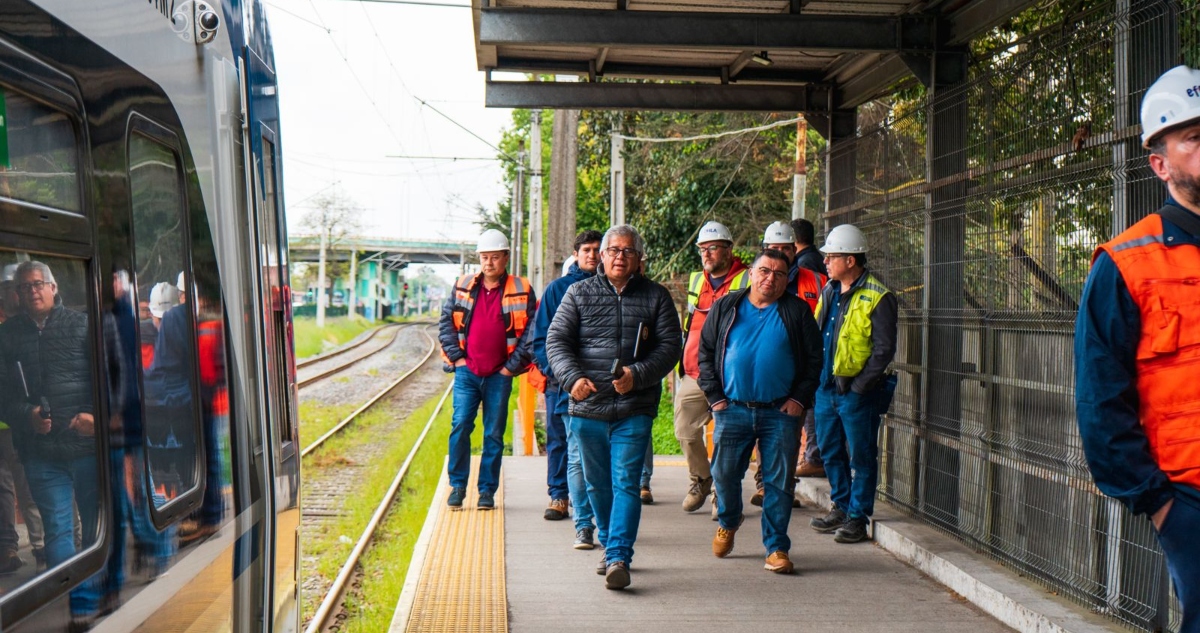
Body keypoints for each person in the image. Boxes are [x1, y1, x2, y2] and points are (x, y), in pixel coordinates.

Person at [1075, 65, 1200, 633]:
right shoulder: (1126, 264)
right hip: (1189, 497)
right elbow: (1101, 401)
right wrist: (1158, 503)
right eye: (1195, 138)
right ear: (1159, 163)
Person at [546, 225, 680, 590]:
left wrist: (637, 375)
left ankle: (619, 554)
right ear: (600, 256)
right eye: (613, 250)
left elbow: (669, 348)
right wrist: (572, 379)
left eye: (628, 251)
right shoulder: (577, 293)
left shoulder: (656, 297)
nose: (620, 256)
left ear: (639, 259)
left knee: (625, 483)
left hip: (634, 407)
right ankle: (609, 543)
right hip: (587, 407)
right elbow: (556, 341)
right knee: (596, 485)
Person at [697, 249, 821, 574]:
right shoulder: (727, 306)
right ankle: (728, 519)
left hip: (780, 413)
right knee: (723, 476)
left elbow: (814, 360)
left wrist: (799, 399)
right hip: (732, 409)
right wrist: (715, 397)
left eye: (780, 274)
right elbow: (706, 352)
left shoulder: (796, 311)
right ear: (751, 272)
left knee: (779, 483)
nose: (771, 278)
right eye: (765, 271)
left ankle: (777, 548)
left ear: (786, 279)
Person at [0, 261, 102, 625]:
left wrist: (94, 416)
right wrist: (27, 415)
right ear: (17, 294)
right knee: (58, 528)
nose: (32, 291)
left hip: (85, 447)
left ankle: (94, 589)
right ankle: (80, 602)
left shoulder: (82, 325)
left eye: (38, 284)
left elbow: (104, 378)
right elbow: (3, 395)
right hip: (41, 452)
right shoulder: (7, 334)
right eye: (24, 287)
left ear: (54, 287)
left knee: (93, 524)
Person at [808, 224, 897, 544]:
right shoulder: (830, 290)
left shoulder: (878, 296)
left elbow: (884, 349)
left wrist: (860, 387)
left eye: (832, 257)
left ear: (850, 260)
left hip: (856, 392)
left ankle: (858, 516)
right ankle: (841, 507)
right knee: (831, 451)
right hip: (825, 387)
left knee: (861, 455)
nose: (826, 262)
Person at [439, 229, 536, 511]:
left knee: (493, 433)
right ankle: (457, 486)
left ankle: (486, 492)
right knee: (460, 426)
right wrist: (457, 359)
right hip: (467, 372)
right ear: (478, 258)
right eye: (484, 257)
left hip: (499, 375)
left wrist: (509, 368)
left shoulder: (522, 287)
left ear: (506, 257)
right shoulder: (463, 285)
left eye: (495, 257)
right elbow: (446, 323)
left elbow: (531, 332)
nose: (489, 263)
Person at [531, 229, 603, 552]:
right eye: (586, 249)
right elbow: (541, 339)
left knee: (592, 451)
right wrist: (558, 374)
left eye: (597, 249)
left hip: (600, 386)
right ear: (576, 254)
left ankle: (592, 513)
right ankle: (559, 497)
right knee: (562, 443)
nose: (592, 254)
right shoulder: (557, 290)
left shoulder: (613, 288)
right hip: (561, 384)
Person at [750, 221, 827, 506]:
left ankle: (782, 487)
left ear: (795, 249)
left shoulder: (816, 281)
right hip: (766, 365)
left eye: (786, 248)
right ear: (765, 249)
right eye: (774, 248)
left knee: (790, 433)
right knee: (761, 428)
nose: (781, 252)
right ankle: (764, 485)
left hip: (802, 367)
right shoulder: (757, 278)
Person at [676, 221, 748, 513]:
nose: (706, 254)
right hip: (696, 371)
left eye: (713, 248)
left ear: (729, 249)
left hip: (731, 374)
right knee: (684, 430)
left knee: (726, 437)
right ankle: (702, 479)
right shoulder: (697, 281)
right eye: (702, 249)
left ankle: (722, 491)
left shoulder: (747, 280)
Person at [791, 218, 830, 480]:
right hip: (818, 342)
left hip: (810, 345)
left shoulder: (805, 265)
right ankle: (813, 454)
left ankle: (813, 456)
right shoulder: (817, 259)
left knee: (810, 404)